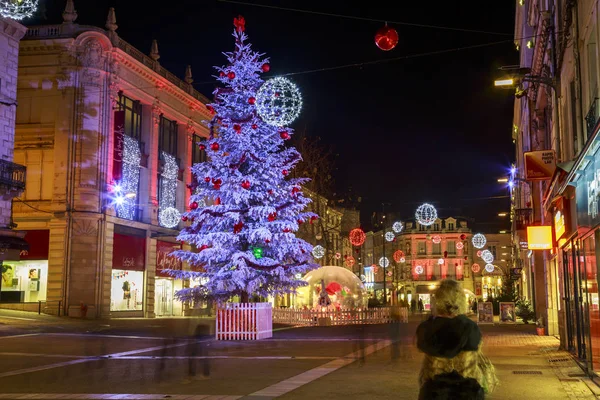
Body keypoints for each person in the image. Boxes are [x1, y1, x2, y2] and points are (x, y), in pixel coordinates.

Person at [416, 279, 498, 399]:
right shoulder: (469, 327)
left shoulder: (426, 329)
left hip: (433, 392)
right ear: (460, 300)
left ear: (438, 299)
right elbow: (475, 351)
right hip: (466, 391)